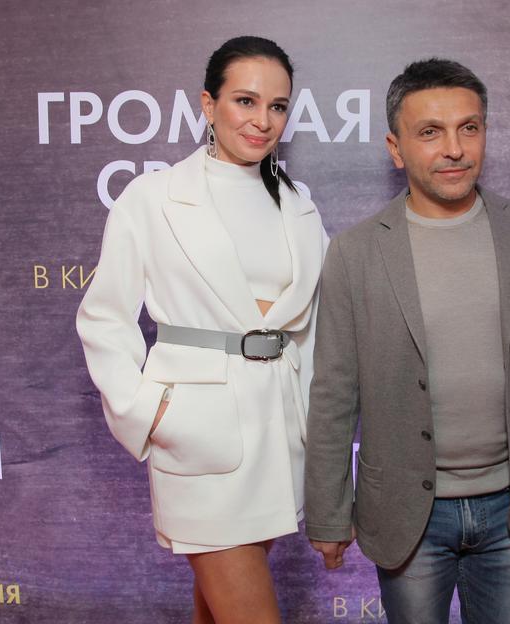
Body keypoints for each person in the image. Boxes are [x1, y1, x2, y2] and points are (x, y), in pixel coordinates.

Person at [304, 58, 510, 624]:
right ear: (396, 148)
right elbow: (333, 394)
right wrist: (329, 513)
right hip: (406, 514)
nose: (455, 149)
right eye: (430, 132)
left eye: (469, 128)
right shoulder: (356, 253)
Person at [76, 36, 326, 624]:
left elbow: (311, 329)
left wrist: (312, 424)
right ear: (208, 104)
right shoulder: (152, 198)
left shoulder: (298, 206)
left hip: (278, 436)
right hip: (197, 433)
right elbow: (104, 316)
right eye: (245, 101)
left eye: (277, 106)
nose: (262, 120)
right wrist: (149, 411)